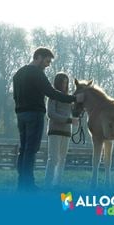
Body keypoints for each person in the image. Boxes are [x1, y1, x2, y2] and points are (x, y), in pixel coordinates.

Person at [13, 47, 83, 192]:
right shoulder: (37, 74)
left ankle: (22, 183)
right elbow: (51, 93)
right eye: (47, 61)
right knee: (31, 149)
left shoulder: (18, 74)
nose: (48, 64)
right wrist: (74, 98)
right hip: (34, 114)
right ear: (38, 57)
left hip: (21, 115)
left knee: (24, 149)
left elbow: (15, 97)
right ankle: (28, 185)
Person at [44, 72, 78, 189]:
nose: (65, 84)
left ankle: (57, 183)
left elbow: (73, 111)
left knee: (62, 159)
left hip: (66, 131)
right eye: (63, 82)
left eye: (66, 82)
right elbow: (51, 114)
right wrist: (68, 120)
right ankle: (48, 184)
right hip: (55, 130)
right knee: (53, 158)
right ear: (58, 83)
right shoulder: (53, 96)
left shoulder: (68, 98)